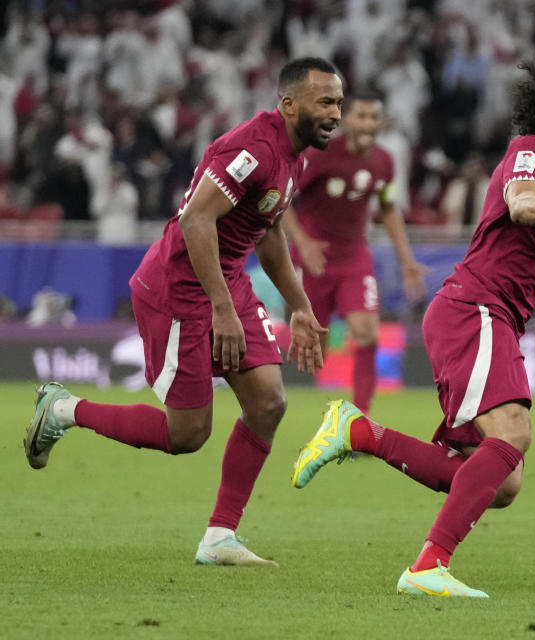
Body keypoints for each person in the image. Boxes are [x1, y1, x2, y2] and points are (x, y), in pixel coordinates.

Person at [291, 38, 535, 597]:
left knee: (504, 482)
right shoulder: (534, 152)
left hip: (493, 320)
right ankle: (428, 566)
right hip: (472, 308)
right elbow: (524, 205)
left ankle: (358, 431)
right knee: (514, 434)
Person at [23, 57, 339, 566]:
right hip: (179, 289)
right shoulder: (253, 149)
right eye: (325, 102)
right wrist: (221, 309)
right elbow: (195, 220)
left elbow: (269, 227)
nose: (335, 113)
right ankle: (63, 409)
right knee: (187, 434)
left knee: (268, 403)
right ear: (289, 104)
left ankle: (219, 537)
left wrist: (300, 306)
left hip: (225, 281)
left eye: (338, 103)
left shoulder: (294, 154)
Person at [282, 88, 428, 415]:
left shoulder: (384, 162)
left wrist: (407, 260)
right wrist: (302, 241)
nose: (367, 123)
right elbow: (283, 196)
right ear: (346, 118)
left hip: (354, 258)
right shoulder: (320, 155)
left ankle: (359, 420)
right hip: (314, 258)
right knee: (313, 347)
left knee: (366, 333)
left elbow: (389, 208)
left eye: (374, 117)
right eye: (361, 116)